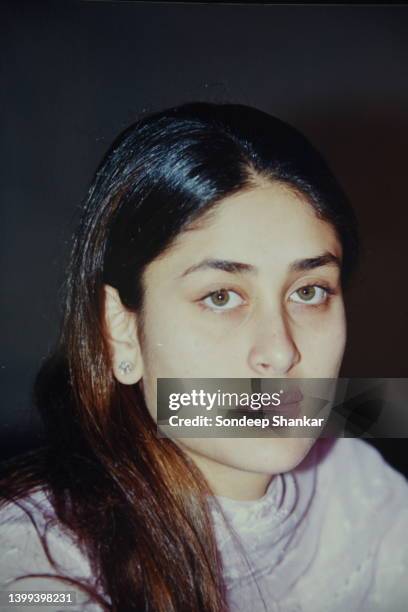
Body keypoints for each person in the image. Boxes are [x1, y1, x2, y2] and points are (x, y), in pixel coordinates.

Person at [0, 102, 407, 612]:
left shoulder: (354, 483)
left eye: (309, 291)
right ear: (121, 332)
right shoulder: (37, 566)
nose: (280, 353)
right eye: (220, 296)